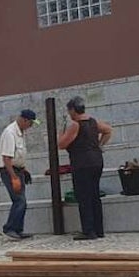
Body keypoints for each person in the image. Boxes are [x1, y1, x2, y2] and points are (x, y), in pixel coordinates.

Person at [58, 96, 113, 241]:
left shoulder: (76, 125)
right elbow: (108, 130)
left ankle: (88, 230)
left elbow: (62, 144)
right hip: (96, 161)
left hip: (82, 163)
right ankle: (98, 229)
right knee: (95, 195)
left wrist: (61, 132)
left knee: (84, 196)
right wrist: (100, 145)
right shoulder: (93, 122)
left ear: (72, 110)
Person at [0, 109, 37, 241]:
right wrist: (14, 177)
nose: (31, 126)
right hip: (9, 171)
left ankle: (18, 229)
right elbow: (6, 158)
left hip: (18, 170)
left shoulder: (20, 132)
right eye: (30, 123)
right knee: (19, 200)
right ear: (24, 120)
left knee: (21, 201)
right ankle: (9, 229)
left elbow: (18, 155)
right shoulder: (10, 133)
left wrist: (24, 170)